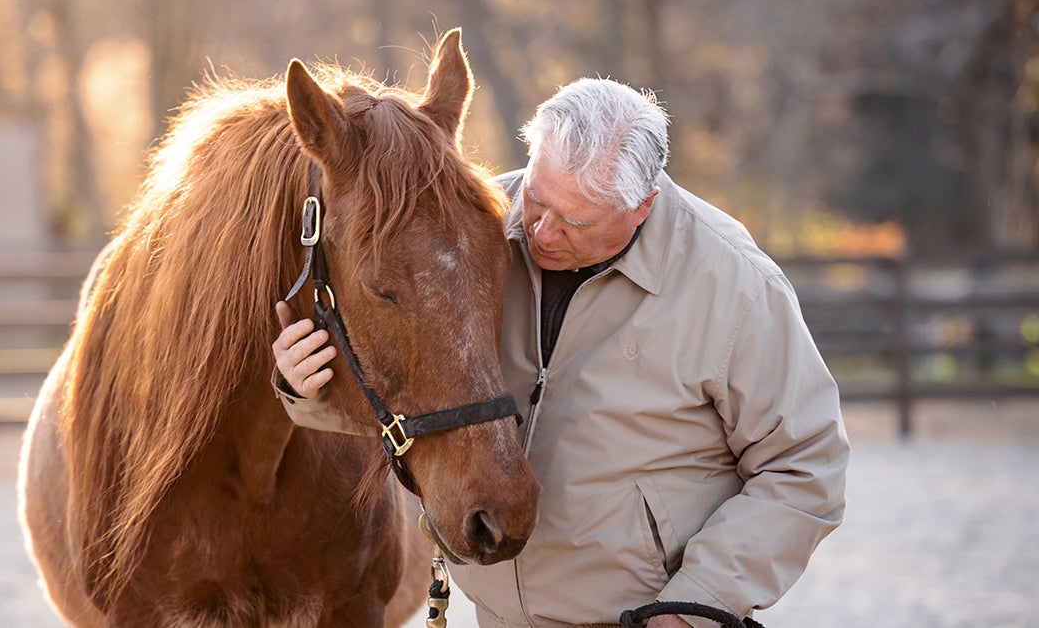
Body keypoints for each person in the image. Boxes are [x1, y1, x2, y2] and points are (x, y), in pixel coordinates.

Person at [272, 78, 849, 628]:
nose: (541, 232)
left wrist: (700, 602)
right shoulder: (472, 226)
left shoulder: (734, 286)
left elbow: (804, 464)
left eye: (575, 221)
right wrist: (307, 389)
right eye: (536, 198)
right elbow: (418, 392)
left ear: (643, 206)